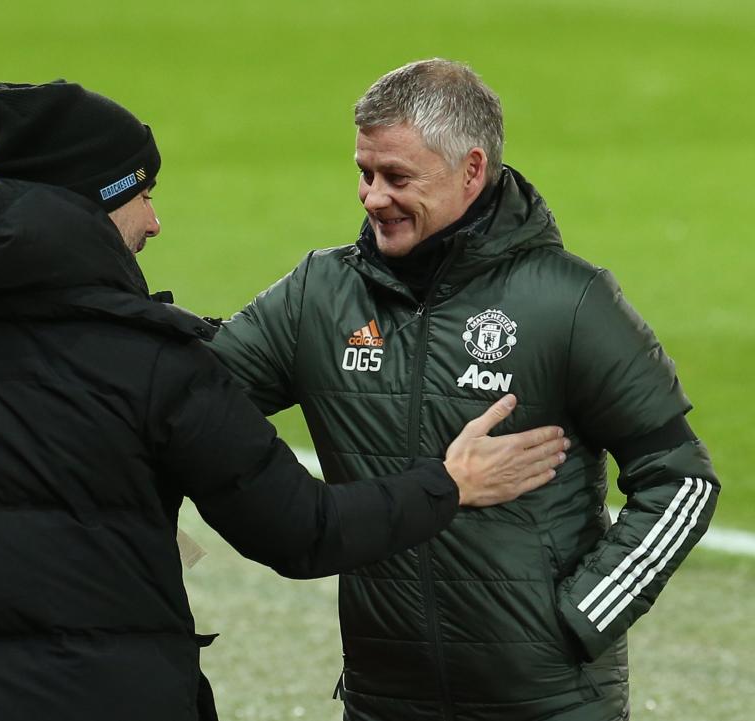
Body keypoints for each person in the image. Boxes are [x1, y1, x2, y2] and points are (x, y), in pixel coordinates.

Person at [0, 81, 569, 721]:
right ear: (94, 202)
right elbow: (301, 531)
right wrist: (451, 483)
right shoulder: (154, 358)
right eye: (141, 193)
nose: (155, 221)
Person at [210, 59, 720, 721]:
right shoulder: (319, 296)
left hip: (549, 703)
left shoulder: (567, 302)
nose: (371, 197)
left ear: (471, 170)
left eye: (397, 177)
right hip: (385, 700)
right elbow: (191, 397)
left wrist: (582, 617)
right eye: (364, 173)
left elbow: (681, 481)